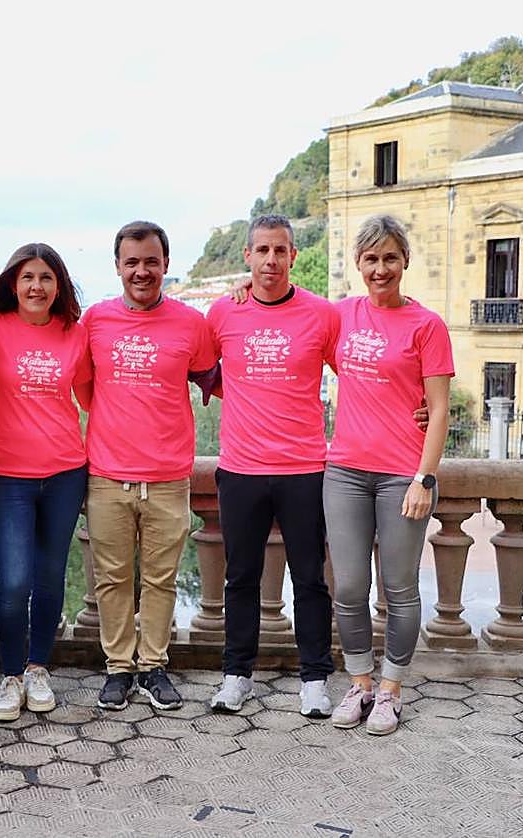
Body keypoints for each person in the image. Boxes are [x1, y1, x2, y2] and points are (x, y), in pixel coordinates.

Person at [206, 215, 338, 719]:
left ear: (293, 257)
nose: (270, 260)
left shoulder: (322, 315)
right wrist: (236, 390)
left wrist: (416, 407)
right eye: (261, 250)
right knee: (240, 576)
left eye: (279, 251)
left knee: (309, 579)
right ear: (247, 256)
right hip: (240, 468)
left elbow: (360, 369)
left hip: (304, 467)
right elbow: (200, 365)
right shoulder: (223, 312)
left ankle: (314, 680)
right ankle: (236, 675)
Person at [83, 221, 217, 712]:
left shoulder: (190, 323)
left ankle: (153, 665)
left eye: (151, 262)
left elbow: (216, 376)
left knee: (160, 578)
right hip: (106, 473)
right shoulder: (95, 320)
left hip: (167, 475)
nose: (142, 271)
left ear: (165, 265)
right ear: (117, 266)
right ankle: (119, 667)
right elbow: (79, 382)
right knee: (113, 577)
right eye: (132, 262)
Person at [325, 215, 452, 735]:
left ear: (405, 262)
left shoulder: (426, 326)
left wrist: (425, 478)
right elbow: (285, 316)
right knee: (349, 586)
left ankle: (392, 690)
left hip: (404, 474)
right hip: (346, 471)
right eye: (371, 259)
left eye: (390, 258)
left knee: (398, 587)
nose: (381, 269)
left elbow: (440, 411)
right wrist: (246, 290)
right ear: (359, 264)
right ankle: (359, 683)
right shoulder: (340, 316)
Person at [0, 244, 91, 722]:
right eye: (27, 277)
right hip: (5, 475)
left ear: (58, 284)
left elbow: (89, 397)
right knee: (14, 580)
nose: (36, 286)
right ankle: (10, 676)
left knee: (49, 577)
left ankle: (39, 668)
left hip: (65, 470)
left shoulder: (75, 334)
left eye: (46, 277)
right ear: (12, 283)